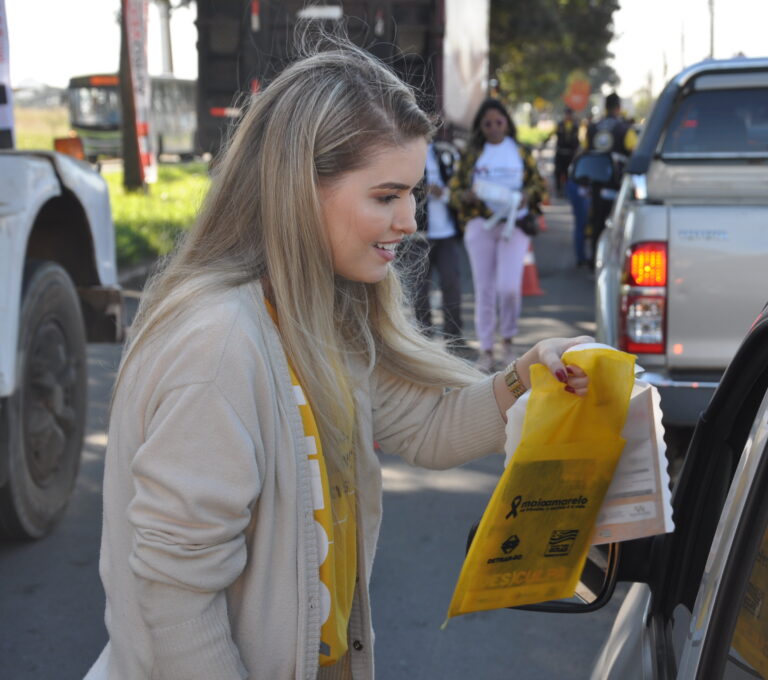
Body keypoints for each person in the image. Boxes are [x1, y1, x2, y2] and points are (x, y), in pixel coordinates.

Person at [85, 46, 591, 680]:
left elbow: (427, 427)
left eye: (412, 193)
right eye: (386, 196)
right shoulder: (218, 346)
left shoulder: (318, 313)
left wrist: (528, 376)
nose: (409, 220)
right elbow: (176, 603)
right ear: (300, 190)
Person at [448, 98, 548, 372]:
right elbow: (454, 191)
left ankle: (508, 341)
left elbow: (539, 186)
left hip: (514, 224)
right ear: (480, 126)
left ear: (507, 123)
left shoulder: (519, 152)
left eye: (498, 122)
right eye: (487, 123)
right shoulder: (472, 154)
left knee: (509, 287)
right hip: (480, 224)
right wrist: (466, 196)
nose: (493, 128)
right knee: (484, 289)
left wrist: (526, 196)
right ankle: (487, 350)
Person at [403, 131, 465, 346]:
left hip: (446, 232)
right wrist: (424, 190)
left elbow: (461, 184)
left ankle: (454, 337)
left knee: (452, 283)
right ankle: (424, 338)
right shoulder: (405, 153)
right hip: (418, 233)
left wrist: (445, 193)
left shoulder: (445, 152)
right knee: (420, 287)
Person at [583, 93, 637, 267]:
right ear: (618, 108)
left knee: (596, 222)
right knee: (617, 223)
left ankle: (594, 261)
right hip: (616, 185)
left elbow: (585, 151)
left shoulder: (592, 127)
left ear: (605, 107)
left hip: (595, 184)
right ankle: (613, 262)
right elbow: (634, 153)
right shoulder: (625, 129)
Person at [553, 107, 580, 196]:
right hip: (560, 152)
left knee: (568, 172)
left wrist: (577, 151)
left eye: (569, 114)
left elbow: (578, 140)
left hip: (570, 154)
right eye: (566, 114)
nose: (568, 116)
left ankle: (568, 191)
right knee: (558, 171)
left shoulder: (575, 126)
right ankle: (559, 189)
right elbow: (552, 134)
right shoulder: (560, 125)